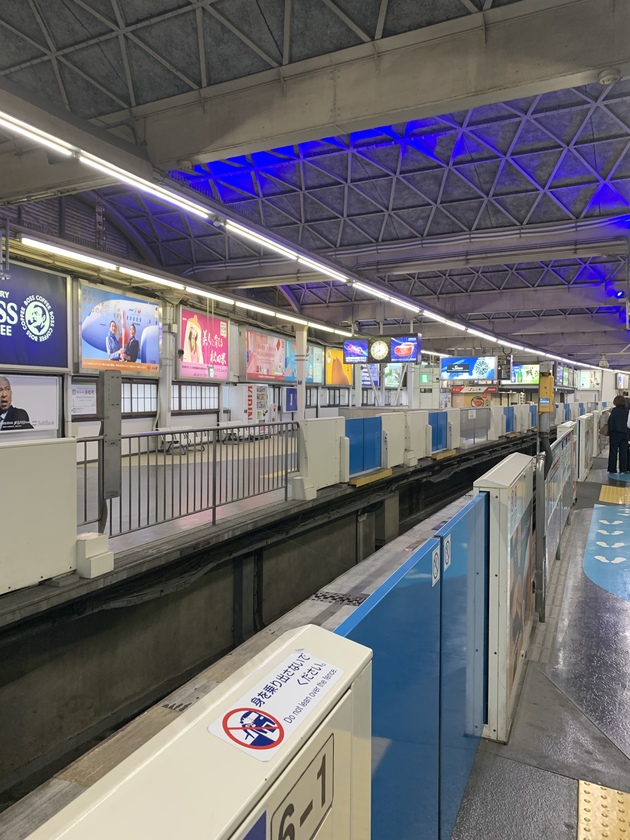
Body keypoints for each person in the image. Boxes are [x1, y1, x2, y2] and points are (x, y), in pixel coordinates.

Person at [607, 394, 629, 473]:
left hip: (615, 434)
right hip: (624, 433)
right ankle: (623, 469)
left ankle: (612, 469)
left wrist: (610, 432)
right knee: (623, 452)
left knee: (613, 451)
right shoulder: (627, 411)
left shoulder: (614, 411)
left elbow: (610, 422)